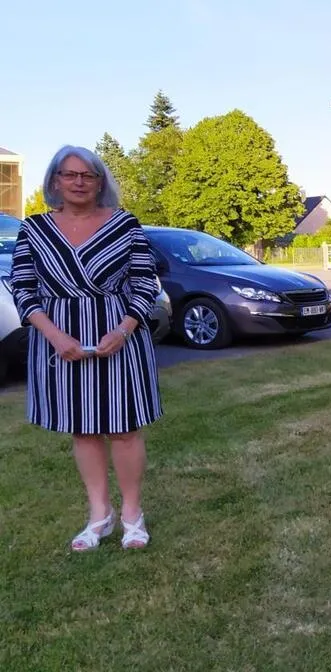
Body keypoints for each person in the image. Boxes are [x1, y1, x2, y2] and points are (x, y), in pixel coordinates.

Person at [11, 145, 162, 551]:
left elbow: (145, 283)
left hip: (121, 337)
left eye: (88, 175)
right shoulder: (34, 229)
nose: (79, 182)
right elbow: (23, 289)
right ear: (55, 181)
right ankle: (99, 515)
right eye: (70, 174)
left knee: (124, 428)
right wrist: (55, 336)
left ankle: (132, 515)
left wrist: (124, 329)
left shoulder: (125, 224)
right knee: (84, 429)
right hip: (59, 343)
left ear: (100, 182)